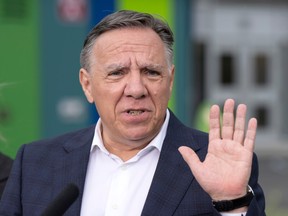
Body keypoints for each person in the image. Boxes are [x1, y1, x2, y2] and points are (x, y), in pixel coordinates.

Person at [0, 10, 265, 215]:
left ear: (170, 81)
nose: (136, 89)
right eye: (117, 73)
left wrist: (231, 204)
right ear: (87, 84)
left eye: (151, 72)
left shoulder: (218, 164)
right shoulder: (34, 163)